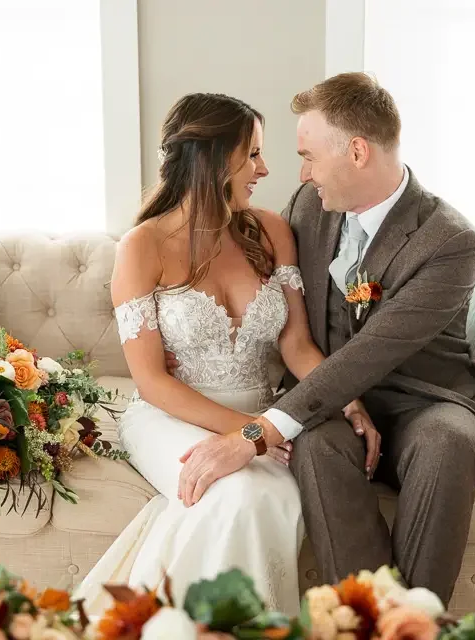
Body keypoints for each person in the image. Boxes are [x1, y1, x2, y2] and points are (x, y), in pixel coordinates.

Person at [173, 73, 475, 605]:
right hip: (333, 401)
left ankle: (414, 624)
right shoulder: (309, 204)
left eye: (309, 156)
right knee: (314, 444)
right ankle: (363, 616)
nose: (301, 172)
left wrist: (253, 435)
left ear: (357, 151)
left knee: (446, 443)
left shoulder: (450, 240)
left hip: (429, 398)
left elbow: (372, 352)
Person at [74, 92, 372, 616]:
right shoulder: (141, 247)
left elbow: (298, 346)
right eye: (252, 153)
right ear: (213, 158)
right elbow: (150, 382)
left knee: (273, 497)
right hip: (173, 415)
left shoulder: (271, 231)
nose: (265, 168)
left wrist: (350, 404)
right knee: (236, 496)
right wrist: (248, 430)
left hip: (265, 412)